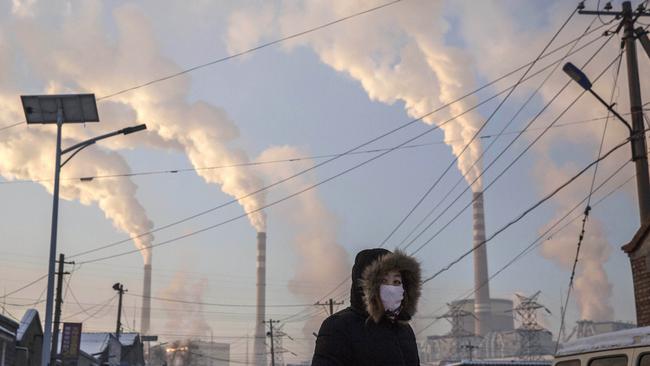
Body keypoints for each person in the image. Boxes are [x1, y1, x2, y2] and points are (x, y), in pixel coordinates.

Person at [312, 248, 421, 365]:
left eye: (396, 282)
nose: (391, 288)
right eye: (383, 281)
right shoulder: (338, 327)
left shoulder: (404, 330)